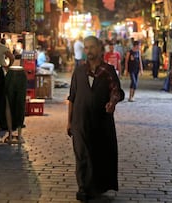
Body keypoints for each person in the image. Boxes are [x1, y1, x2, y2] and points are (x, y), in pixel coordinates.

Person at [67, 36, 124, 202]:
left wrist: (112, 102)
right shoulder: (78, 72)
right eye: (86, 48)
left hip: (100, 121)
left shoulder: (107, 71)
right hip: (80, 121)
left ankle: (95, 186)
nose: (89, 51)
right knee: (82, 155)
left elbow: (116, 91)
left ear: (99, 48)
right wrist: (69, 121)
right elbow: (72, 97)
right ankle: (83, 189)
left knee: (97, 154)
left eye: (92, 47)